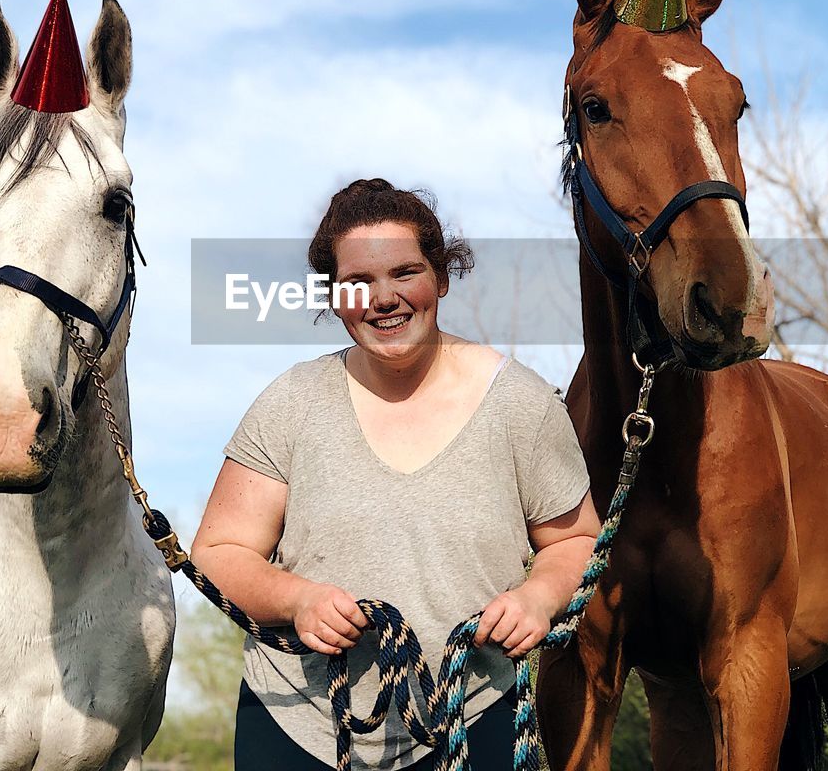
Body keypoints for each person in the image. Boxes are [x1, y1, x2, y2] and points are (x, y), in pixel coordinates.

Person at [192, 178, 599, 771]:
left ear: (441, 278)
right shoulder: (291, 403)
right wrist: (297, 599)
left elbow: (576, 539)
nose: (384, 298)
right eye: (358, 282)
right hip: (299, 723)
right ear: (334, 297)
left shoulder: (521, 404)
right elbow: (220, 549)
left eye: (405, 273)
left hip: (473, 717)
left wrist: (539, 596)